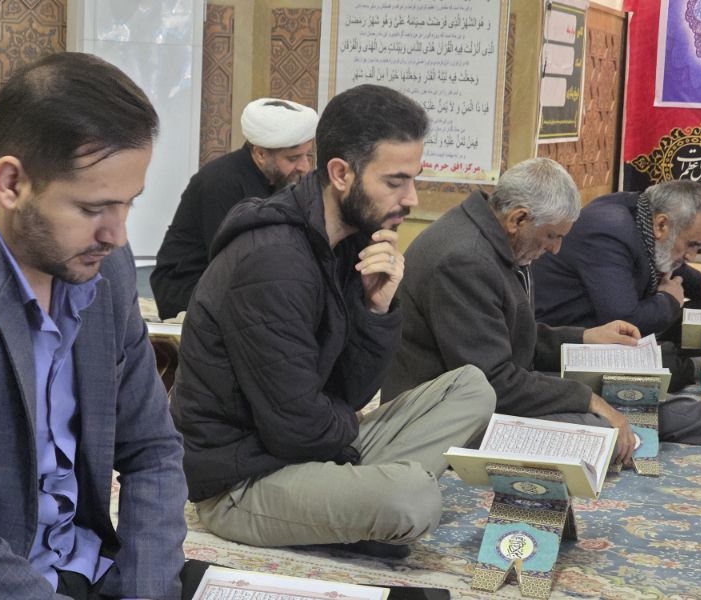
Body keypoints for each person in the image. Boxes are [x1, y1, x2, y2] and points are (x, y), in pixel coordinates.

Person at [172, 84, 495, 558]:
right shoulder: (274, 261)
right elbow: (296, 427)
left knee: (471, 388)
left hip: (306, 448)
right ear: (341, 173)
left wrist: (376, 310)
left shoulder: (350, 240)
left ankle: (350, 505)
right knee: (413, 498)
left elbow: (352, 392)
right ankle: (357, 505)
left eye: (413, 179)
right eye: (395, 182)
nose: (411, 198)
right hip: (244, 479)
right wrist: (348, 427)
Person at [0, 53, 186, 599]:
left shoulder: (104, 268)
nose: (117, 235)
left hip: (84, 568)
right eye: (92, 208)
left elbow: (154, 451)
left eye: (127, 205)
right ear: (12, 182)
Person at [382, 158, 701, 468]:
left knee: (632, 401)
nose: (556, 249)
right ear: (519, 219)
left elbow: (513, 334)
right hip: (444, 417)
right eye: (552, 236)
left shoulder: (499, 238)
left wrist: (586, 337)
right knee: (602, 436)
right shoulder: (465, 261)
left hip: (499, 388)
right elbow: (492, 383)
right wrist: (587, 399)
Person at [150, 98, 318, 319]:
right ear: (260, 154)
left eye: (308, 155)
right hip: (189, 293)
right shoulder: (220, 182)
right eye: (293, 158)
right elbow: (236, 264)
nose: (305, 167)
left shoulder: (281, 182)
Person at [531, 180, 701, 338]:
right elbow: (623, 321)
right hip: (554, 338)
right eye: (691, 244)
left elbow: (665, 256)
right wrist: (669, 301)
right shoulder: (609, 231)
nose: (691, 256)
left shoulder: (643, 213)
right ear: (661, 225)